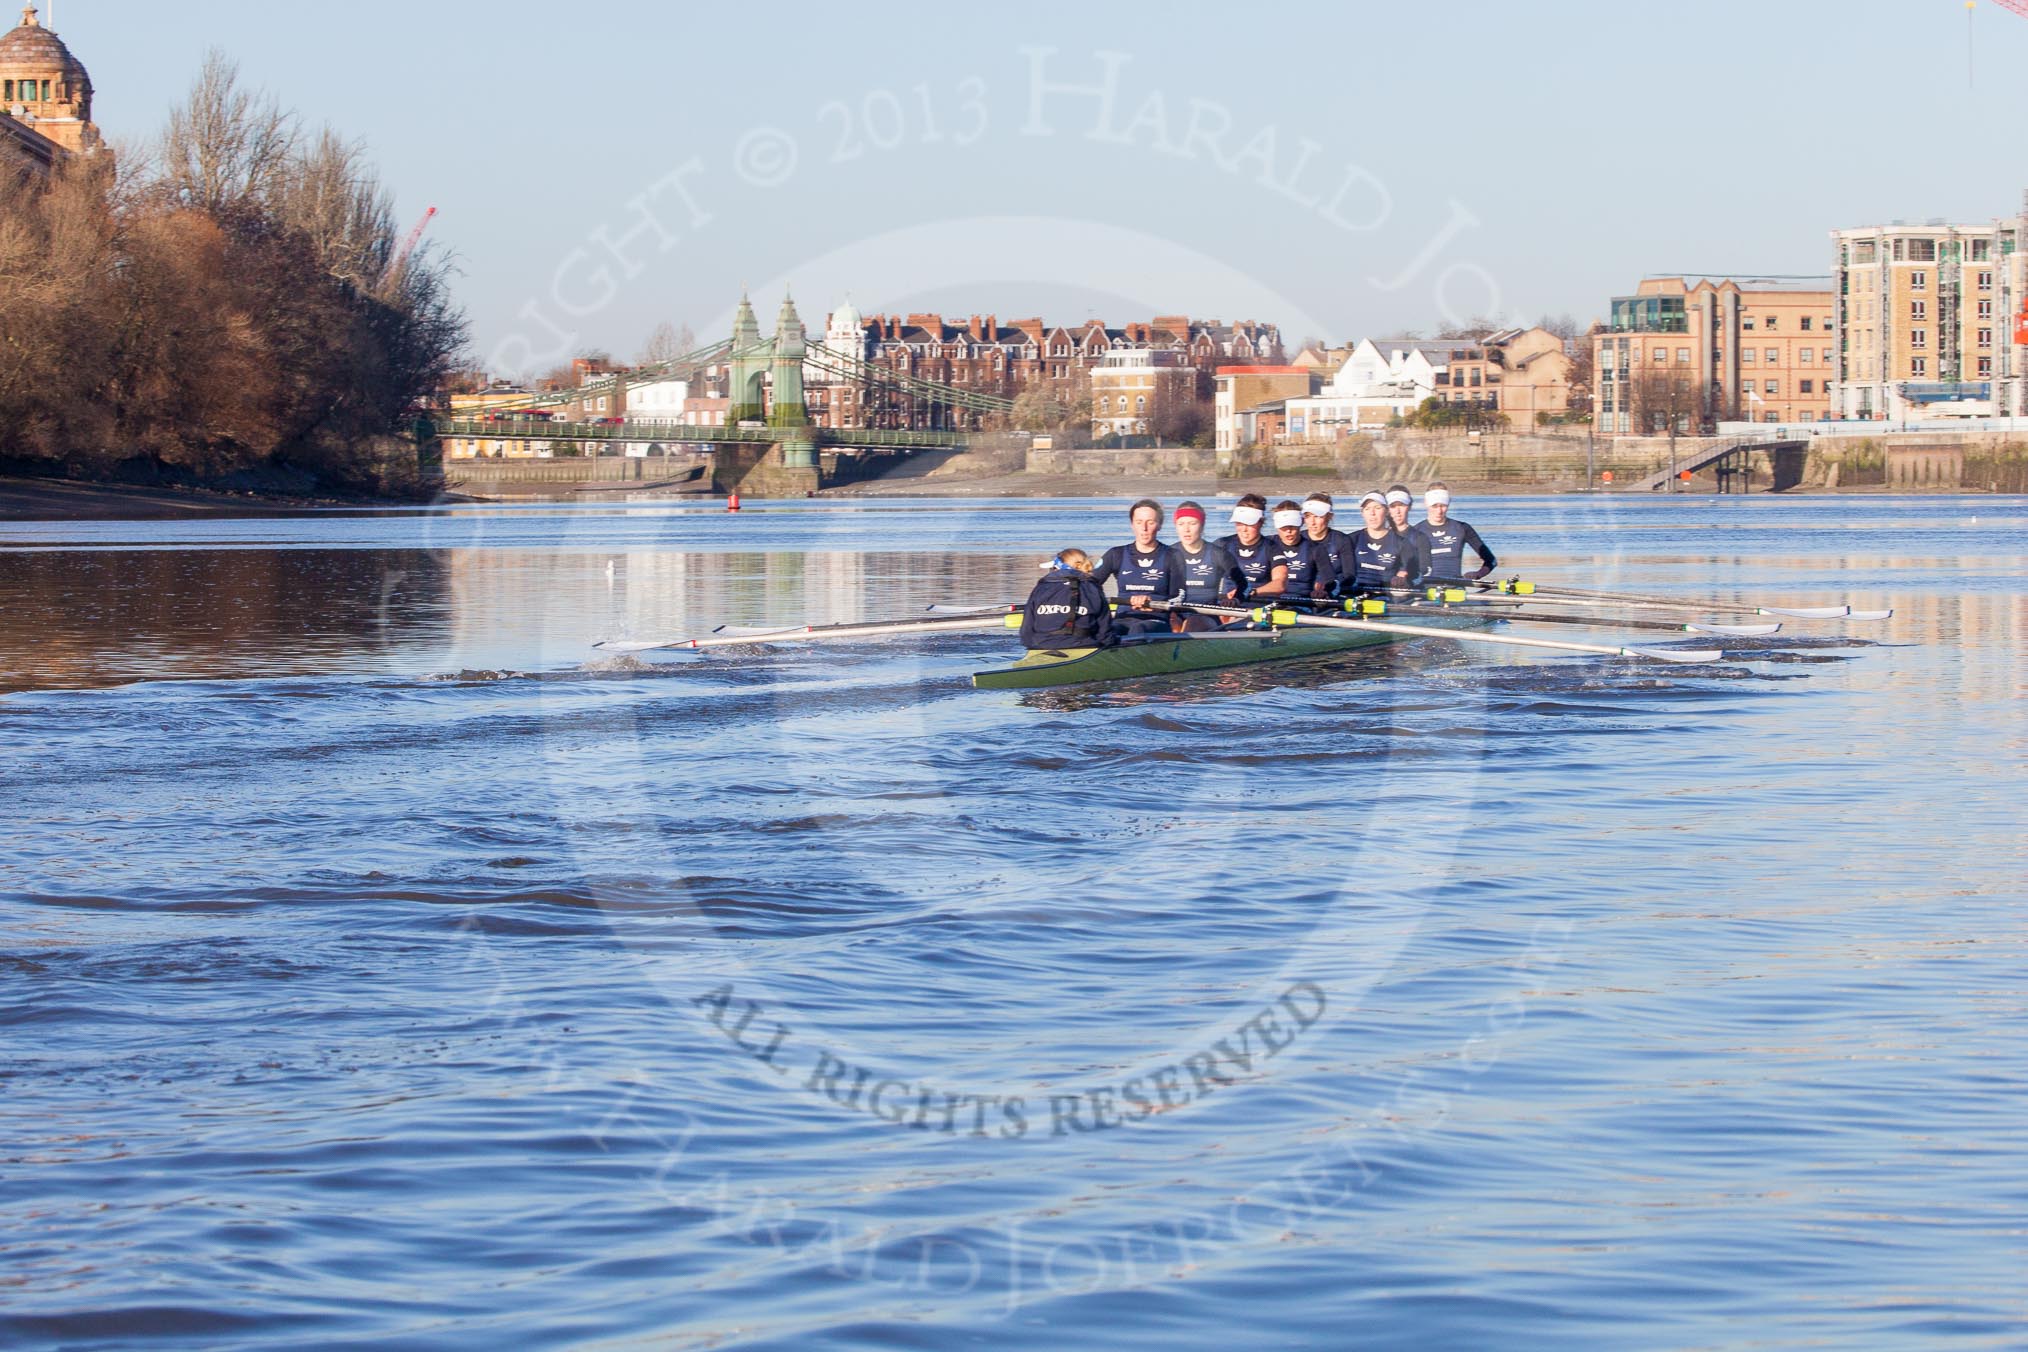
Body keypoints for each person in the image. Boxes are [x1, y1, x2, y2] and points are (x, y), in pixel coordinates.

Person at [1088, 498, 1180, 637]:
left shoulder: (1173, 555)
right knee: (1105, 630)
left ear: (1159, 525)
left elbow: (1180, 596)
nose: (1144, 528)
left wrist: (1154, 603)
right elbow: (1089, 585)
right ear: (1132, 524)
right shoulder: (1115, 554)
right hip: (1122, 619)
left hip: (1156, 620)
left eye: (1150, 522)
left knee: (1138, 630)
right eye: (1139, 522)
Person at [1019, 549, 1117, 650]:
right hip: (1083, 644)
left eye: (1052, 569)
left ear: (1058, 568)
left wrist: (1030, 645)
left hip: (1041, 644)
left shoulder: (1041, 587)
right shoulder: (1093, 587)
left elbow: (1027, 628)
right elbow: (1104, 629)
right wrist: (1108, 643)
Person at [1411, 482, 1498, 582]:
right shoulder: (1415, 532)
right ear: (1426, 503)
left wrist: (1478, 574)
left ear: (1449, 503)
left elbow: (1492, 560)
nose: (1439, 511)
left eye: (1443, 506)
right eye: (1434, 506)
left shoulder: (1462, 528)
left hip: (1455, 592)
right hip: (1424, 592)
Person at [1213, 495, 1290, 599]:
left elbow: (1280, 584)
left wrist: (1250, 592)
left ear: (1261, 522)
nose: (1244, 529)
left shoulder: (1272, 548)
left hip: (1258, 605)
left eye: (1249, 524)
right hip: (1228, 604)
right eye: (1239, 523)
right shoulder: (1223, 544)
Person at [1345, 489, 1415, 594]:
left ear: (1386, 511)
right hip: (1355, 594)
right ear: (1362, 513)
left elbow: (1413, 574)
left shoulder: (1402, 543)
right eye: (1367, 509)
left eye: (1377, 508)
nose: (1372, 513)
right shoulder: (1351, 540)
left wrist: (1404, 577)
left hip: (1386, 596)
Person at [1296, 493, 1352, 601]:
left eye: (1317, 516)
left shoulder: (1342, 540)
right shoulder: (1297, 539)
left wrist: (1327, 586)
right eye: (1308, 516)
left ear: (1329, 516)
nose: (1312, 522)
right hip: (1303, 594)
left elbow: (1349, 575)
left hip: (1332, 593)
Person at [1266, 500, 1314, 599]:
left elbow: (1326, 577)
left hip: (1304, 601)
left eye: (1292, 525)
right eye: (1283, 526)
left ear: (1301, 522)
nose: (1288, 530)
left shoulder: (1315, 548)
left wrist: (1319, 589)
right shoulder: (1266, 545)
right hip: (1270, 600)